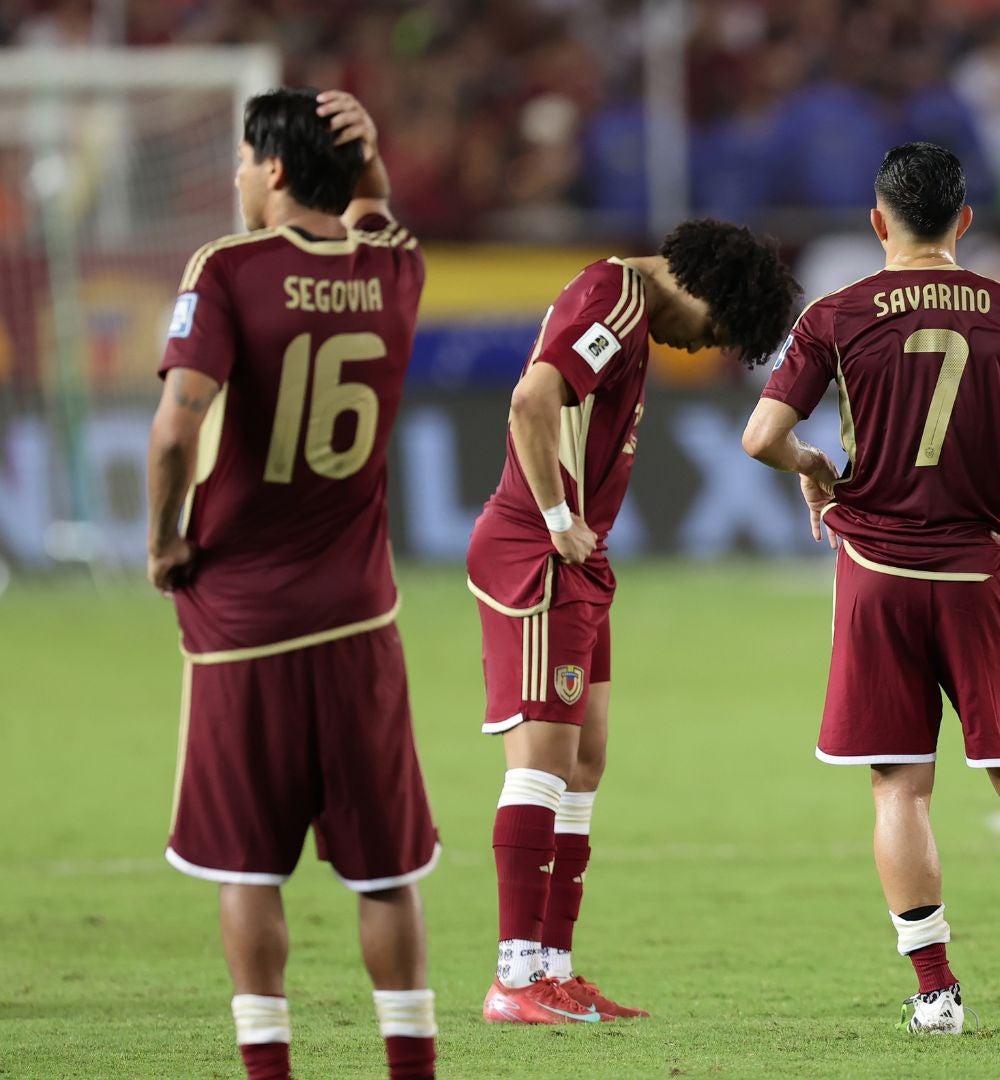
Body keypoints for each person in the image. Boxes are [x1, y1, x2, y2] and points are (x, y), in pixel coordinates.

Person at [740, 141, 1000, 1035]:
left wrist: (814, 467)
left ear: (878, 221)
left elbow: (761, 436)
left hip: (876, 577)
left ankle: (935, 994)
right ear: (964, 220)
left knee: (900, 788)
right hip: (979, 573)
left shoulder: (836, 313)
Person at [147, 88, 438, 1080]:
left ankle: (270, 1070)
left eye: (242, 160)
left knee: (246, 865)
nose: (236, 175)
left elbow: (175, 431)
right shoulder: (395, 269)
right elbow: (377, 208)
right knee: (385, 872)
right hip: (359, 617)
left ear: (272, 169)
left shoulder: (227, 268)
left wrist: (164, 541)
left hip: (245, 622)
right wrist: (368, 157)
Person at [466, 218, 798, 1024]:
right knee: (542, 765)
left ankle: (554, 969)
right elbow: (531, 399)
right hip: (538, 553)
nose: (702, 346)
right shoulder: (616, 295)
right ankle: (514, 976)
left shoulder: (629, 312)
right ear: (704, 287)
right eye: (715, 328)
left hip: (579, 561)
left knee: (583, 765)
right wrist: (557, 518)